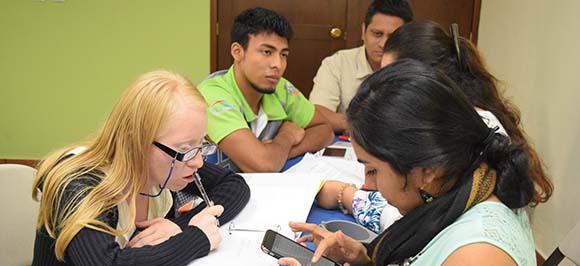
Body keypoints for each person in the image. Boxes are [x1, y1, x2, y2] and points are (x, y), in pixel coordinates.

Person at [282, 59, 548, 266]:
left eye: (373, 169)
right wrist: (363, 257)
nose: (367, 185)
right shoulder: (470, 186)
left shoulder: (477, 265)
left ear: (426, 171)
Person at [20, 70, 250, 266]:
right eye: (186, 149)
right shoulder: (77, 184)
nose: (198, 162)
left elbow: (234, 185)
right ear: (138, 142)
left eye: (201, 144)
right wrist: (196, 238)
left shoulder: (168, 163)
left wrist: (181, 224)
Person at [317, 21, 553, 234]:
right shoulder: (465, 118)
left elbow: (423, 223)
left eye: (396, 82)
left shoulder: (461, 138)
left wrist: (347, 196)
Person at [198, 7, 334, 173]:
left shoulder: (281, 87)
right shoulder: (213, 94)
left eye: (283, 54)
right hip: (216, 196)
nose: (277, 64)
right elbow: (263, 166)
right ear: (237, 52)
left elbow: (325, 130)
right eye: (267, 52)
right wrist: (287, 136)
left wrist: (279, 152)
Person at [309, 0, 413, 132]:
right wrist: (370, 125)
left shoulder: (414, 66)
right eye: (377, 34)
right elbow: (318, 114)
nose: (383, 44)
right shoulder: (337, 63)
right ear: (364, 31)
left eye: (393, 37)